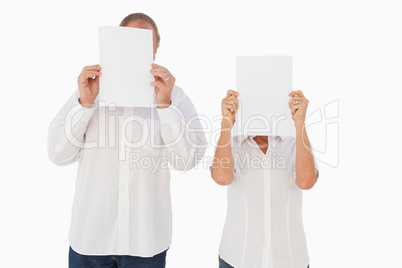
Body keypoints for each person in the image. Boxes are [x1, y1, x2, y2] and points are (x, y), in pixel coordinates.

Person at [47, 13, 206, 268]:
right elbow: (57, 154)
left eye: (145, 43)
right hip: (90, 241)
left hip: (146, 244)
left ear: (154, 52)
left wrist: (165, 107)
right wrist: (85, 104)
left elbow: (187, 161)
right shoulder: (88, 92)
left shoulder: (175, 96)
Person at [211, 90, 319, 268]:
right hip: (238, 260)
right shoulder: (233, 143)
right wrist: (226, 123)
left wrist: (300, 123)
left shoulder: (294, 142)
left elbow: (306, 182)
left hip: (289, 261)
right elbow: (222, 177)